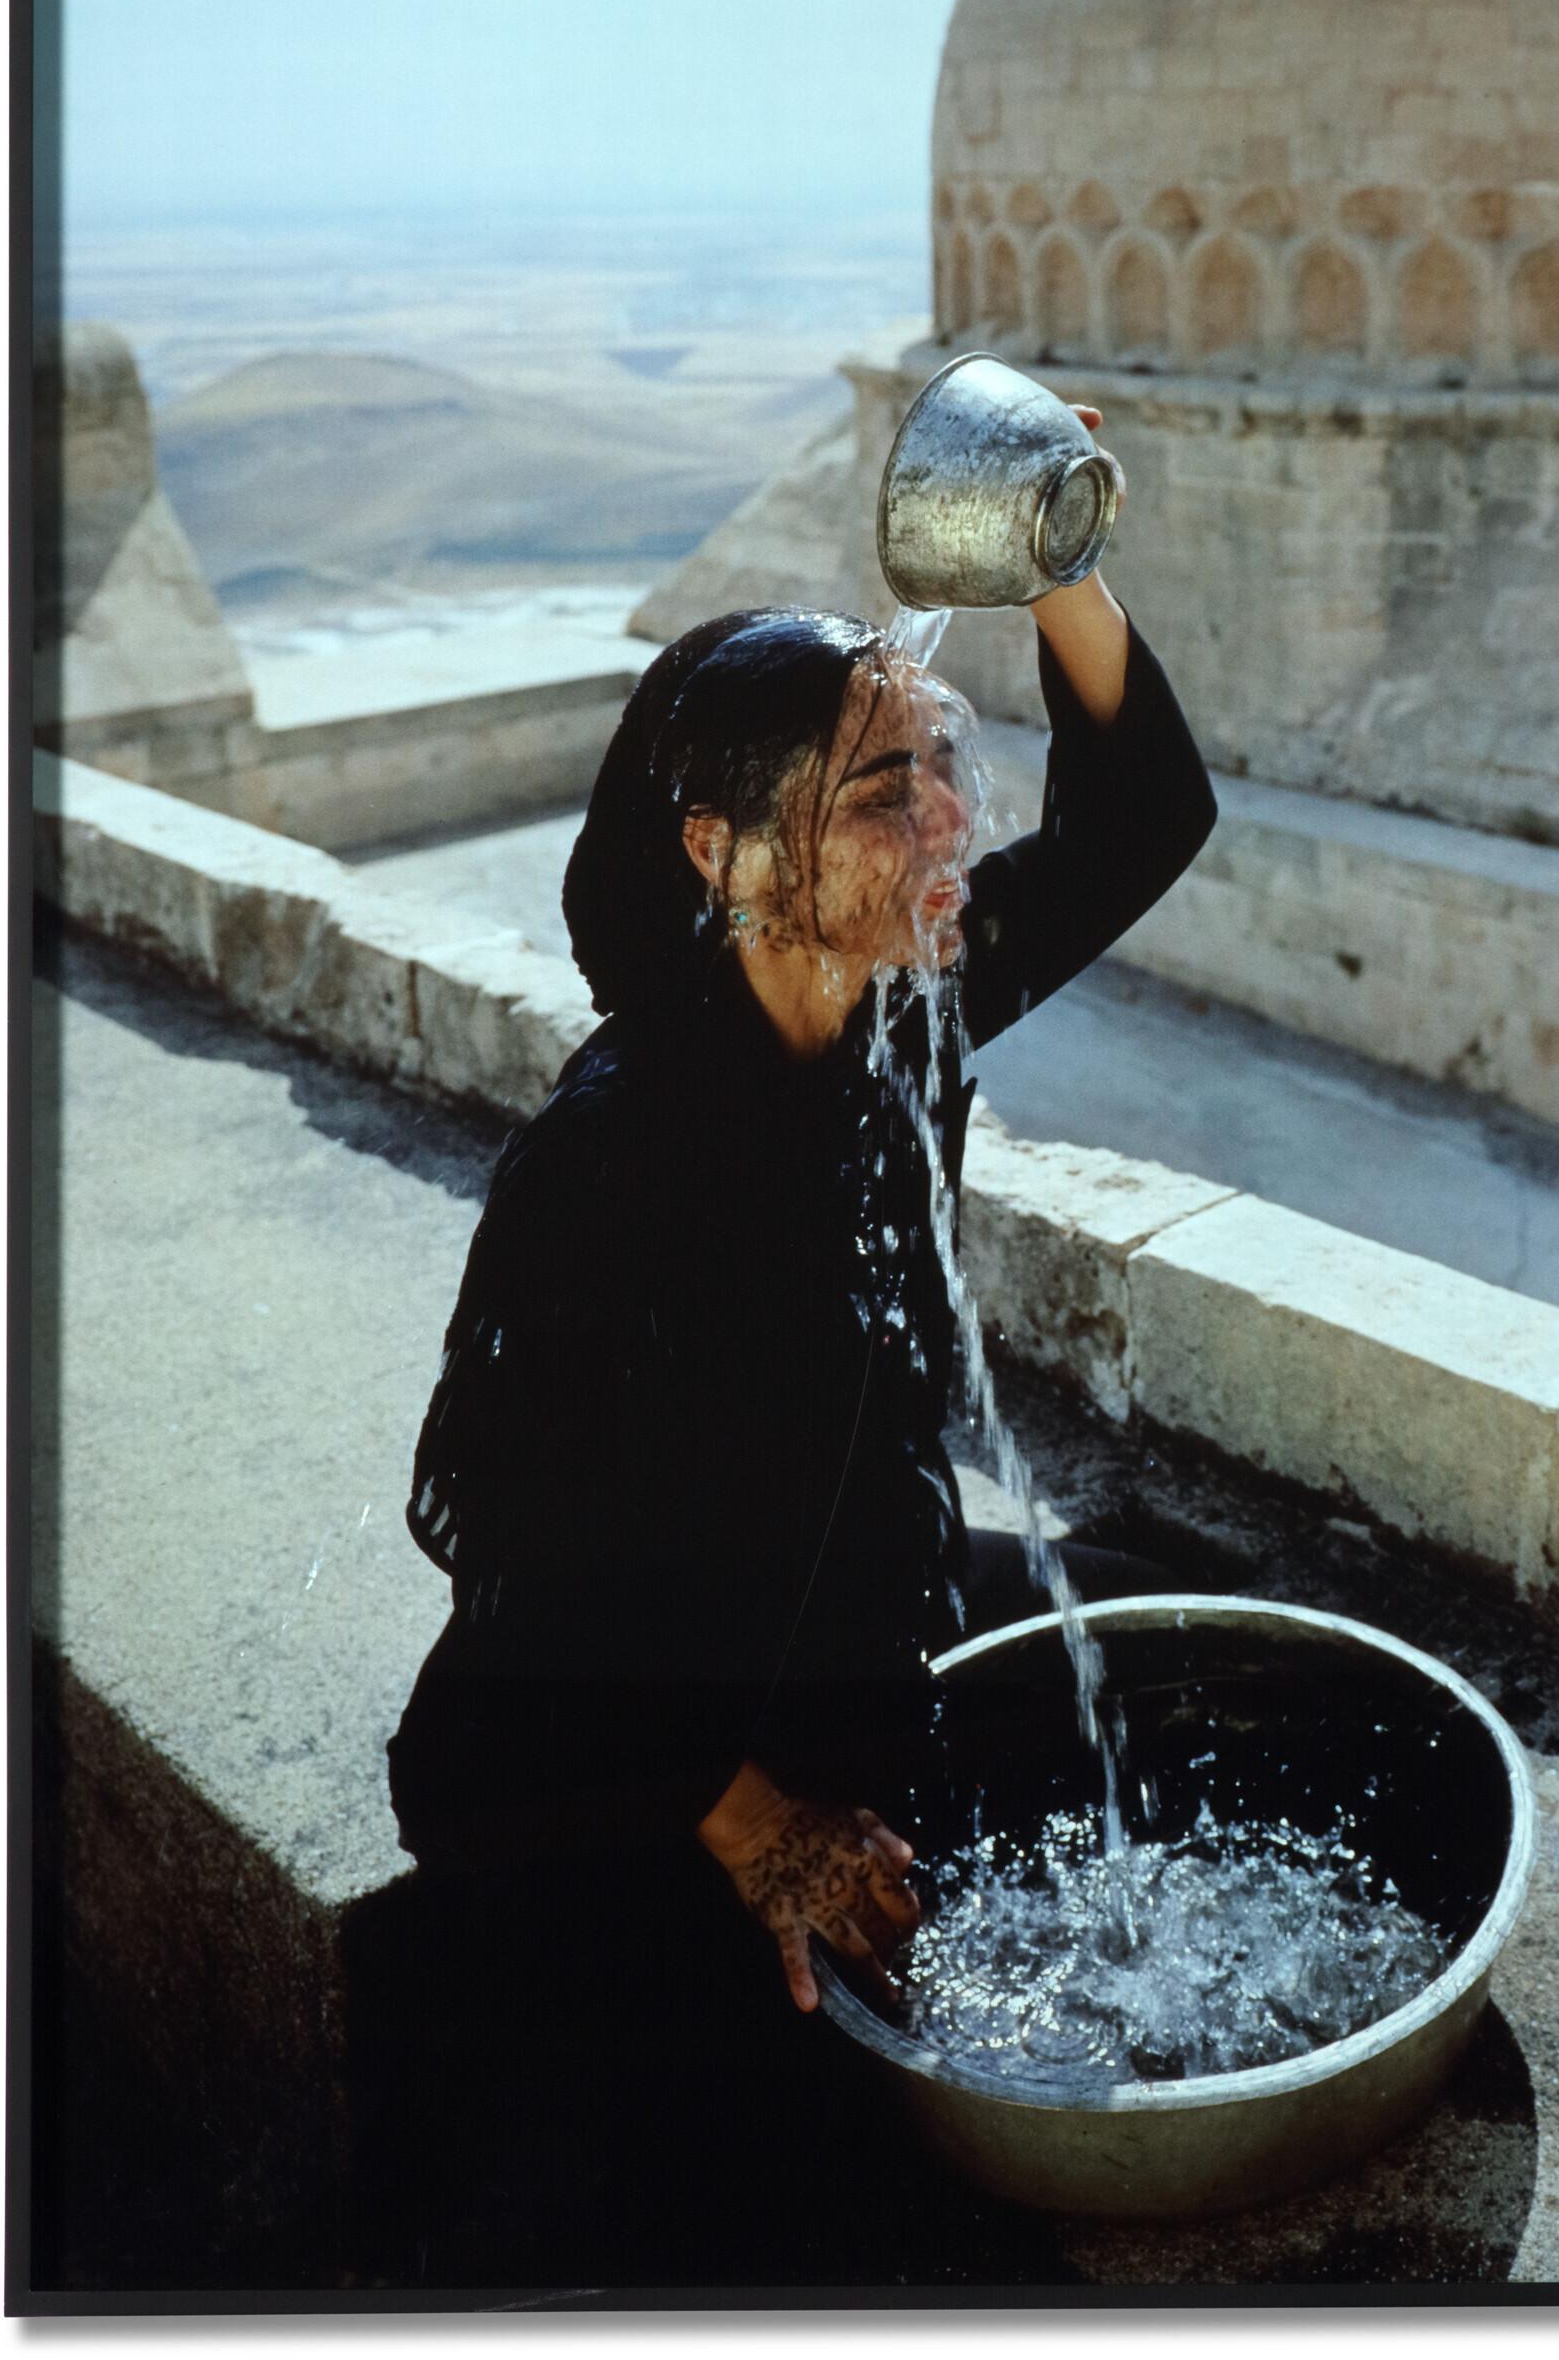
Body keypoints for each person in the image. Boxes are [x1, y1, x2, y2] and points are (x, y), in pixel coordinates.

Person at [367, 420, 1218, 2285]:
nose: (943, 830)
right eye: (875, 794)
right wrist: (759, 1828)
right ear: (723, 847)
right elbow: (520, 1579)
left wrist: (1055, 549)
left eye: (937, 771)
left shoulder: (904, 1003)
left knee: (1183, 1634)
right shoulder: (617, 1155)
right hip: (615, 1731)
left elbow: (1147, 820)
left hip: (852, 1605)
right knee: (764, 2152)